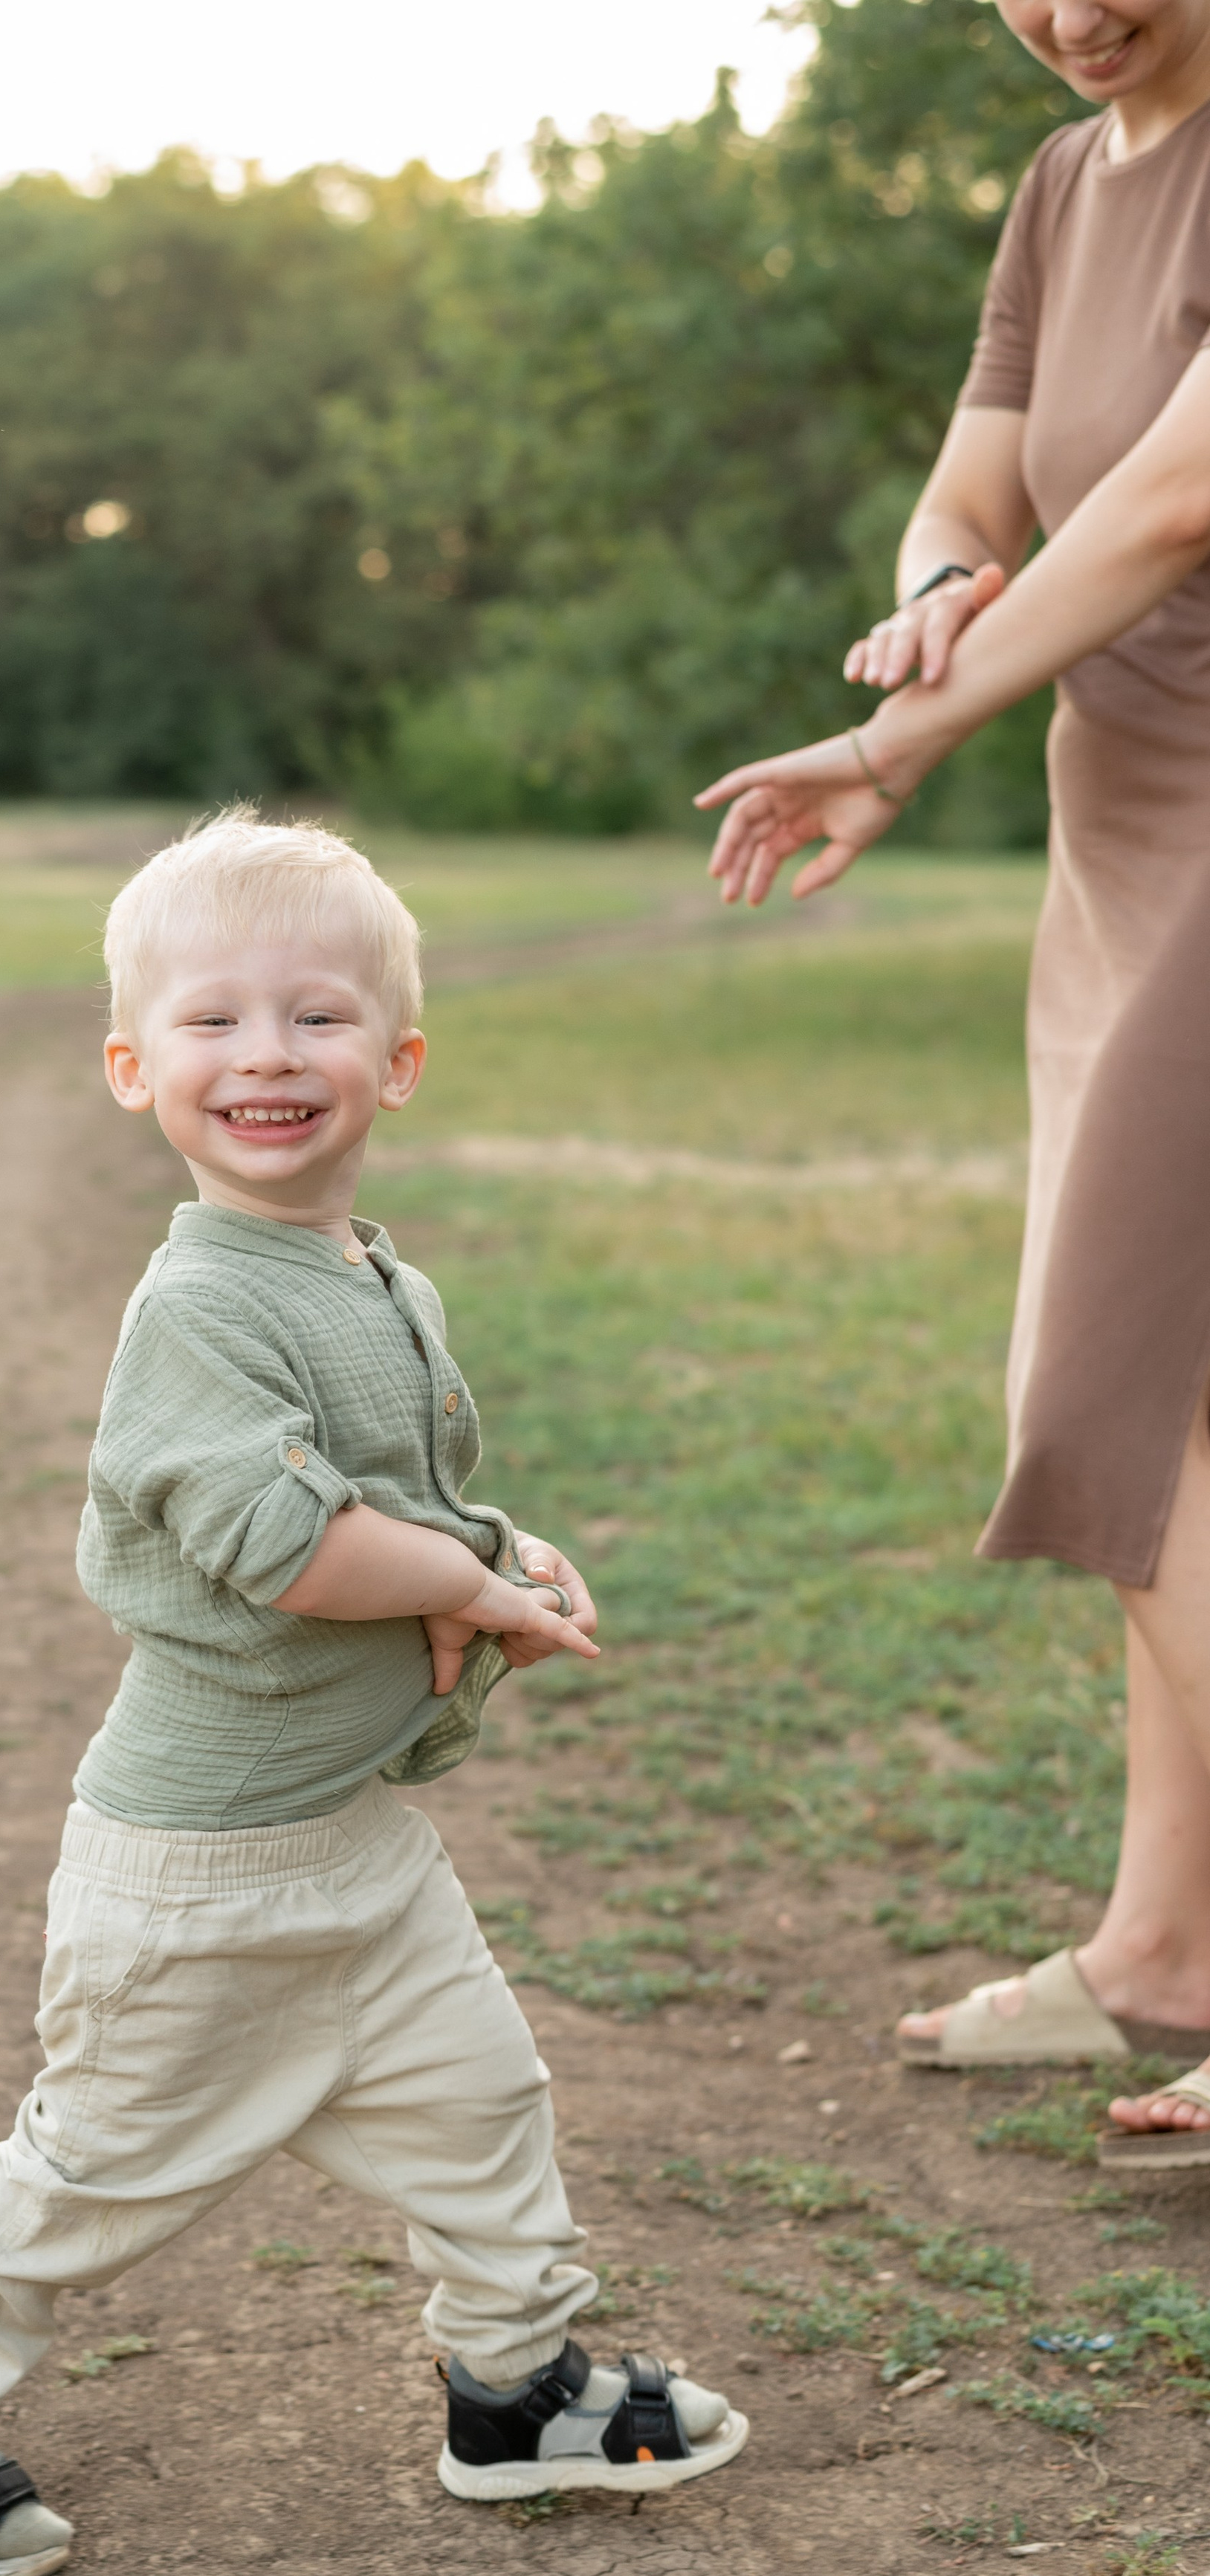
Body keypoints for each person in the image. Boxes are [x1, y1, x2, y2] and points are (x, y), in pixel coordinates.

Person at [0, 811, 747, 2576]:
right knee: (98, 2171)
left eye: (315, 1016)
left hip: (354, 1843)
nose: (268, 1056)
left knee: (480, 2099)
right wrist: (456, 1588)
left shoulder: (374, 1273)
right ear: (133, 1067)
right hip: (198, 1872)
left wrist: (507, 1552)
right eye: (213, 1022)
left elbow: (398, 1492)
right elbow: (286, 1544)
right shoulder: (195, 1309)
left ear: (399, 1061)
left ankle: (513, 2383)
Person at [694, 0, 1210, 2164]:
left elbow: (1179, 495)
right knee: (1147, 1410)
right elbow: (981, 479)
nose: (1068, 13)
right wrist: (926, 611)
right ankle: (1163, 1946)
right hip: (1126, 820)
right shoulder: (1059, 180)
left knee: (1132, 1405)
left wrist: (907, 736)